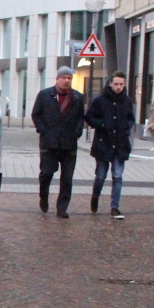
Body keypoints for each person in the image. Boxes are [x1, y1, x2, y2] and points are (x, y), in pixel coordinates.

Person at [31, 65, 84, 218]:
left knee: (67, 178)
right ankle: (44, 197)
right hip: (49, 143)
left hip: (69, 144)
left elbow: (81, 117)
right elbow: (36, 114)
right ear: (57, 79)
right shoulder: (45, 95)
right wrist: (43, 131)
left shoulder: (77, 98)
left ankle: (62, 207)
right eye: (64, 78)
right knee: (46, 173)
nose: (67, 81)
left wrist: (77, 132)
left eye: (69, 78)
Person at [85, 71, 134, 219]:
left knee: (117, 177)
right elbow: (89, 117)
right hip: (103, 144)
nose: (118, 87)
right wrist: (102, 124)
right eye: (116, 84)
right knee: (100, 176)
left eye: (121, 84)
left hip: (120, 145)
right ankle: (95, 197)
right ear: (110, 83)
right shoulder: (100, 100)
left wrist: (126, 129)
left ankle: (115, 206)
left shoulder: (126, 101)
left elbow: (131, 118)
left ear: (124, 84)